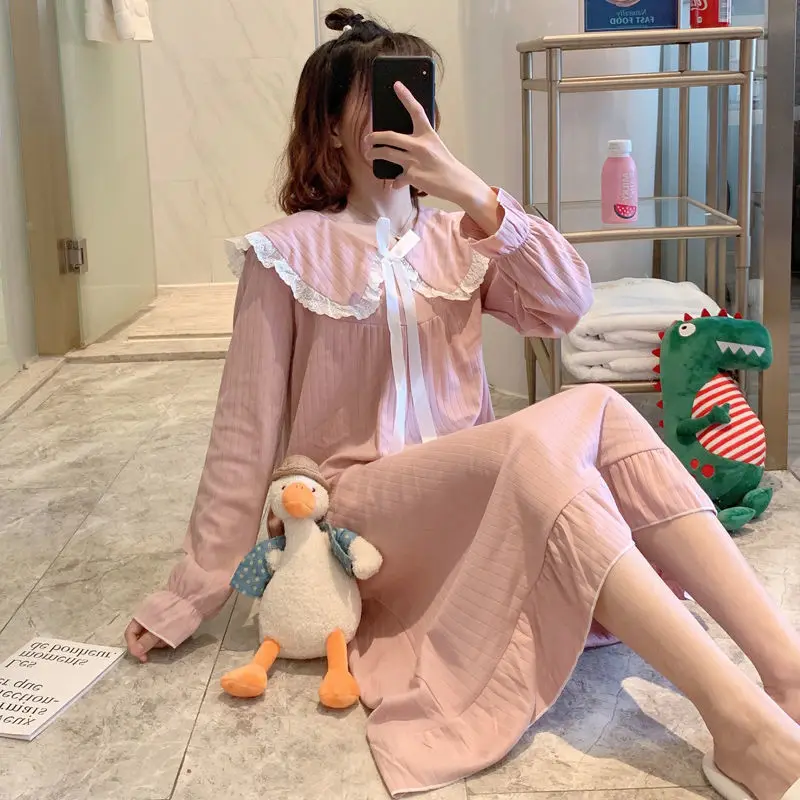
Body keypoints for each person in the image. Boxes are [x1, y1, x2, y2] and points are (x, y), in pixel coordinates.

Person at [125, 9, 800, 800]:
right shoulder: (285, 255)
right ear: (332, 126)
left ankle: (785, 674)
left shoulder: (460, 238)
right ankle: (743, 727)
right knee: (553, 438)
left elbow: (566, 306)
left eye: (417, 98)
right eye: (381, 101)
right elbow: (243, 434)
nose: (404, 117)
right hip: (362, 515)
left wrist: (475, 195)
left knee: (592, 415)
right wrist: (190, 594)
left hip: (477, 502)